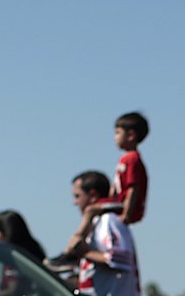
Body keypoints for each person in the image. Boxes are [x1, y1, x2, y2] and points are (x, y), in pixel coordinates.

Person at [52, 112, 150, 265]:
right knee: (94, 211)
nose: (114, 137)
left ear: (131, 135)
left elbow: (133, 188)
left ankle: (72, 249)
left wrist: (126, 213)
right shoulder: (126, 159)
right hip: (118, 202)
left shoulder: (132, 159)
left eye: (118, 133)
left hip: (123, 204)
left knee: (90, 210)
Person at [65, 170, 142, 296]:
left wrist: (85, 252)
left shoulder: (109, 221)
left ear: (92, 195)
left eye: (78, 196)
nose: (75, 202)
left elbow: (120, 258)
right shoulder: (95, 223)